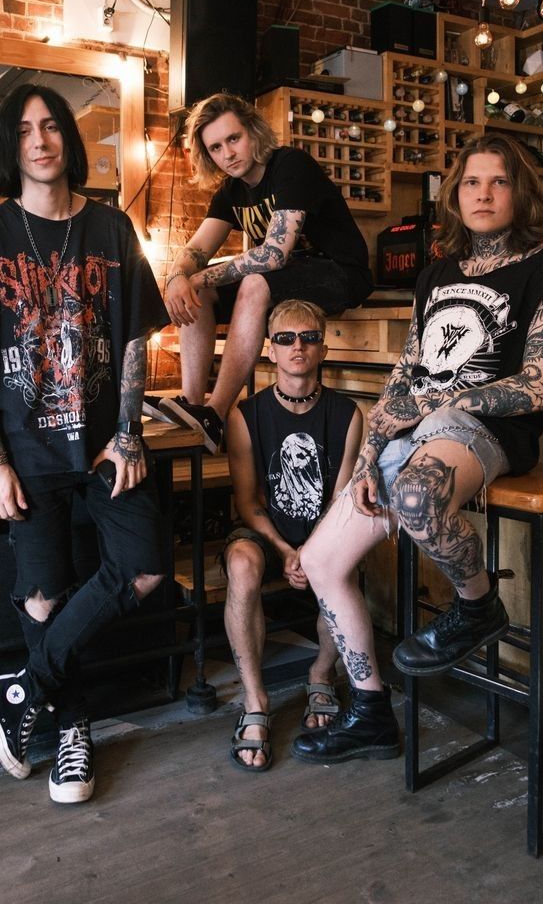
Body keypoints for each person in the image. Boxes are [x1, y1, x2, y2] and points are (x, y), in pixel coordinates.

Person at [290, 132, 543, 765]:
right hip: (409, 431)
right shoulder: (436, 273)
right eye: (470, 183)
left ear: (522, 192)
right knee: (321, 561)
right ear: (455, 197)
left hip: (481, 432)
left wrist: (437, 407)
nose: (483, 194)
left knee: (415, 494)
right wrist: (374, 444)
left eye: (499, 181)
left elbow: (536, 388)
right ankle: (372, 711)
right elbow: (407, 370)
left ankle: (479, 605)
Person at [0, 84, 169, 803]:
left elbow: (134, 334)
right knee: (41, 599)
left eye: (51, 126)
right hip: (27, 455)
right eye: (26, 130)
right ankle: (70, 729)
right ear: (12, 148)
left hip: (102, 447)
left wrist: (128, 434)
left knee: (146, 570)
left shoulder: (111, 229)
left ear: (68, 138)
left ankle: (19, 693)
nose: (40, 140)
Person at [145, 92, 373, 453]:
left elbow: (273, 255)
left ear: (253, 131)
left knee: (251, 280)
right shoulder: (230, 191)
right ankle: (193, 405)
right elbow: (196, 249)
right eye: (216, 147)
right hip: (289, 277)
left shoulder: (290, 165)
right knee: (201, 292)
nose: (228, 154)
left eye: (233, 139)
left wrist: (196, 277)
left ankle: (215, 416)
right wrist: (178, 278)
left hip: (340, 271)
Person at [223, 299, 363, 771]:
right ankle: (255, 700)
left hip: (322, 526)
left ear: (323, 347)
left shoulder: (348, 414)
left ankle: (321, 673)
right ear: (269, 350)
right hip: (266, 530)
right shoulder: (246, 415)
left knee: (337, 560)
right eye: (285, 338)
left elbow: (339, 499)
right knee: (242, 563)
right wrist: (286, 549)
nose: (297, 346)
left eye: (307, 337)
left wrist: (312, 549)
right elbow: (247, 501)